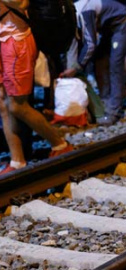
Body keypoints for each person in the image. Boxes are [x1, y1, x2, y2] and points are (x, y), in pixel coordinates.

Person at [0, 0, 73, 175]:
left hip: (16, 41)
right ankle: (17, 161)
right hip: (3, 42)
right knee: (2, 104)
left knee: (17, 106)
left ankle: (60, 144)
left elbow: (22, 3)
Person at [60, 0, 126, 126]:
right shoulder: (72, 15)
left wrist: (77, 67)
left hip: (122, 23)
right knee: (99, 61)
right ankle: (105, 100)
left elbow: (90, 45)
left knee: (116, 65)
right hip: (108, 28)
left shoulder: (84, 12)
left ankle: (114, 110)